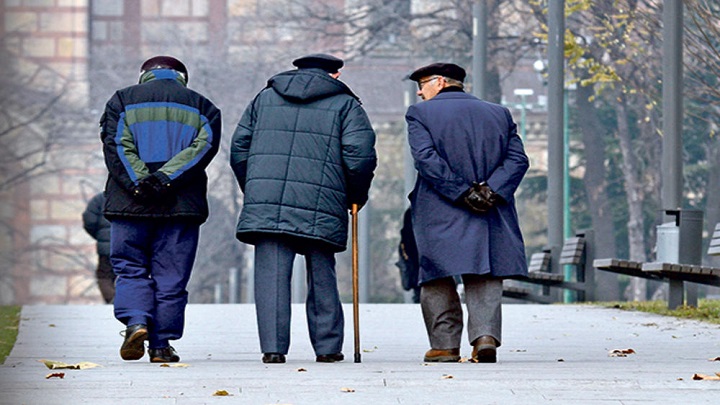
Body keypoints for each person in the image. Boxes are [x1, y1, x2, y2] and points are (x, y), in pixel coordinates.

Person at [230, 53, 377, 364]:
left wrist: (255, 187)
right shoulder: (346, 104)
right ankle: (328, 348)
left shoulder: (264, 98)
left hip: (267, 199)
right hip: (324, 200)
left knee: (271, 277)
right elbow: (359, 156)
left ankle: (273, 349)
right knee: (322, 275)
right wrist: (355, 196)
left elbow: (239, 147)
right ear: (335, 75)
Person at [100, 55, 221, 363]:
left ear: (144, 75)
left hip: (129, 204)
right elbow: (201, 150)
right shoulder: (203, 106)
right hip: (181, 206)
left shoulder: (122, 100)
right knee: (172, 275)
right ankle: (161, 346)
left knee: (130, 267)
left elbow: (117, 146)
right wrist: (164, 179)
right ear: (182, 77)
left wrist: (139, 183)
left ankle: (136, 321)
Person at [405, 62, 529, 363]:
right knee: (484, 268)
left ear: (439, 82)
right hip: (491, 207)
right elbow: (518, 159)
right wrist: (491, 191)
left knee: (436, 272)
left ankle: (445, 345)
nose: (419, 92)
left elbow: (426, 159)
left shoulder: (420, 113)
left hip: (439, 206)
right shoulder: (499, 113)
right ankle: (485, 337)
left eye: (422, 84)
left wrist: (461, 192)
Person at [82, 192, 115, 303]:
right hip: (128, 244)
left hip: (106, 248)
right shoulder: (130, 196)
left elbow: (89, 221)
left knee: (104, 275)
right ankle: (127, 301)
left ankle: (112, 299)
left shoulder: (99, 199)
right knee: (130, 274)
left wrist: (100, 235)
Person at [396, 207, 421, 303]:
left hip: (415, 256)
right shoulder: (412, 212)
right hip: (417, 256)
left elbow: (405, 235)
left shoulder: (411, 211)